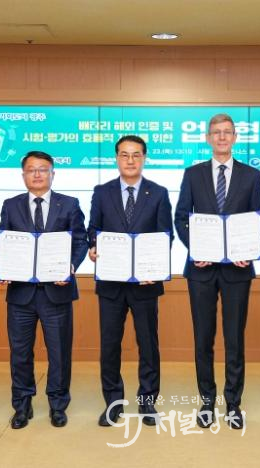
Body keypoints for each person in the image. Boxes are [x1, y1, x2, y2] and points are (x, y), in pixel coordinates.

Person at [174, 113, 260, 429]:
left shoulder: (251, 175)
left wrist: (248, 250)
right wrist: (195, 248)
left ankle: (233, 403)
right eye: (216, 132)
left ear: (235, 137)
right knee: (203, 338)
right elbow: (181, 217)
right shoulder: (193, 173)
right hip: (201, 270)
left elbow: (257, 218)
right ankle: (207, 401)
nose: (222, 137)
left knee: (234, 339)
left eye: (227, 132)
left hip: (237, 271)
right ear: (208, 138)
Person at [0, 151, 88, 429]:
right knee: (20, 353)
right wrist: (3, 266)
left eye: (42, 169)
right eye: (31, 170)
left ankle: (58, 405)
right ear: (23, 175)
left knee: (59, 352)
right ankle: (22, 405)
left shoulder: (69, 204)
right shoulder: (10, 205)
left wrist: (70, 266)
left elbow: (80, 241)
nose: (37, 174)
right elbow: (3, 241)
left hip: (57, 292)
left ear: (52, 174)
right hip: (21, 294)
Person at [87, 135, 173, 427]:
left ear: (144, 158)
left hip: (145, 284)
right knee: (110, 345)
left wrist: (156, 267)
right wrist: (93, 247)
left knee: (148, 344)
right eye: (124, 155)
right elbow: (93, 229)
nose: (130, 160)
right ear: (116, 158)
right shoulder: (102, 192)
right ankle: (113, 403)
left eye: (136, 155)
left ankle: (147, 401)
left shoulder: (158, 193)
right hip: (111, 283)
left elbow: (165, 235)